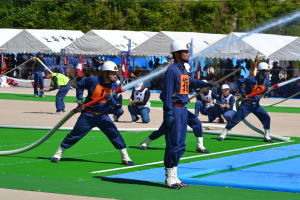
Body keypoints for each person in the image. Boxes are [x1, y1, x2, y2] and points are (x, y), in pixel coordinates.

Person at [51, 61, 134, 166]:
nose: (115, 75)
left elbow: (114, 104)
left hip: (103, 116)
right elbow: (80, 85)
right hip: (88, 115)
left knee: (114, 134)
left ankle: (125, 157)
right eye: (112, 73)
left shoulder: (114, 86)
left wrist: (112, 99)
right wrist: (80, 100)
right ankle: (58, 154)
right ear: (105, 73)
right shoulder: (92, 80)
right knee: (75, 134)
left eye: (115, 73)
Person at [163, 40, 211, 189]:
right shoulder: (172, 71)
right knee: (174, 144)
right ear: (176, 54)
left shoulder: (183, 70)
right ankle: (169, 177)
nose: (187, 54)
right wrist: (169, 113)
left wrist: (206, 83)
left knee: (181, 145)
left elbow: (190, 82)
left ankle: (175, 176)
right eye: (185, 52)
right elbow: (167, 94)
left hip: (183, 109)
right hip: (175, 109)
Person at [218, 62, 272, 143]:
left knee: (266, 117)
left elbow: (263, 93)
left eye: (268, 71)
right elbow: (239, 81)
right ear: (261, 71)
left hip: (256, 105)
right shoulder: (251, 79)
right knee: (236, 118)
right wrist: (243, 93)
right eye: (266, 71)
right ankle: (224, 133)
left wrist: (267, 91)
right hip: (247, 103)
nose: (267, 73)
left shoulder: (267, 82)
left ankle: (266, 135)